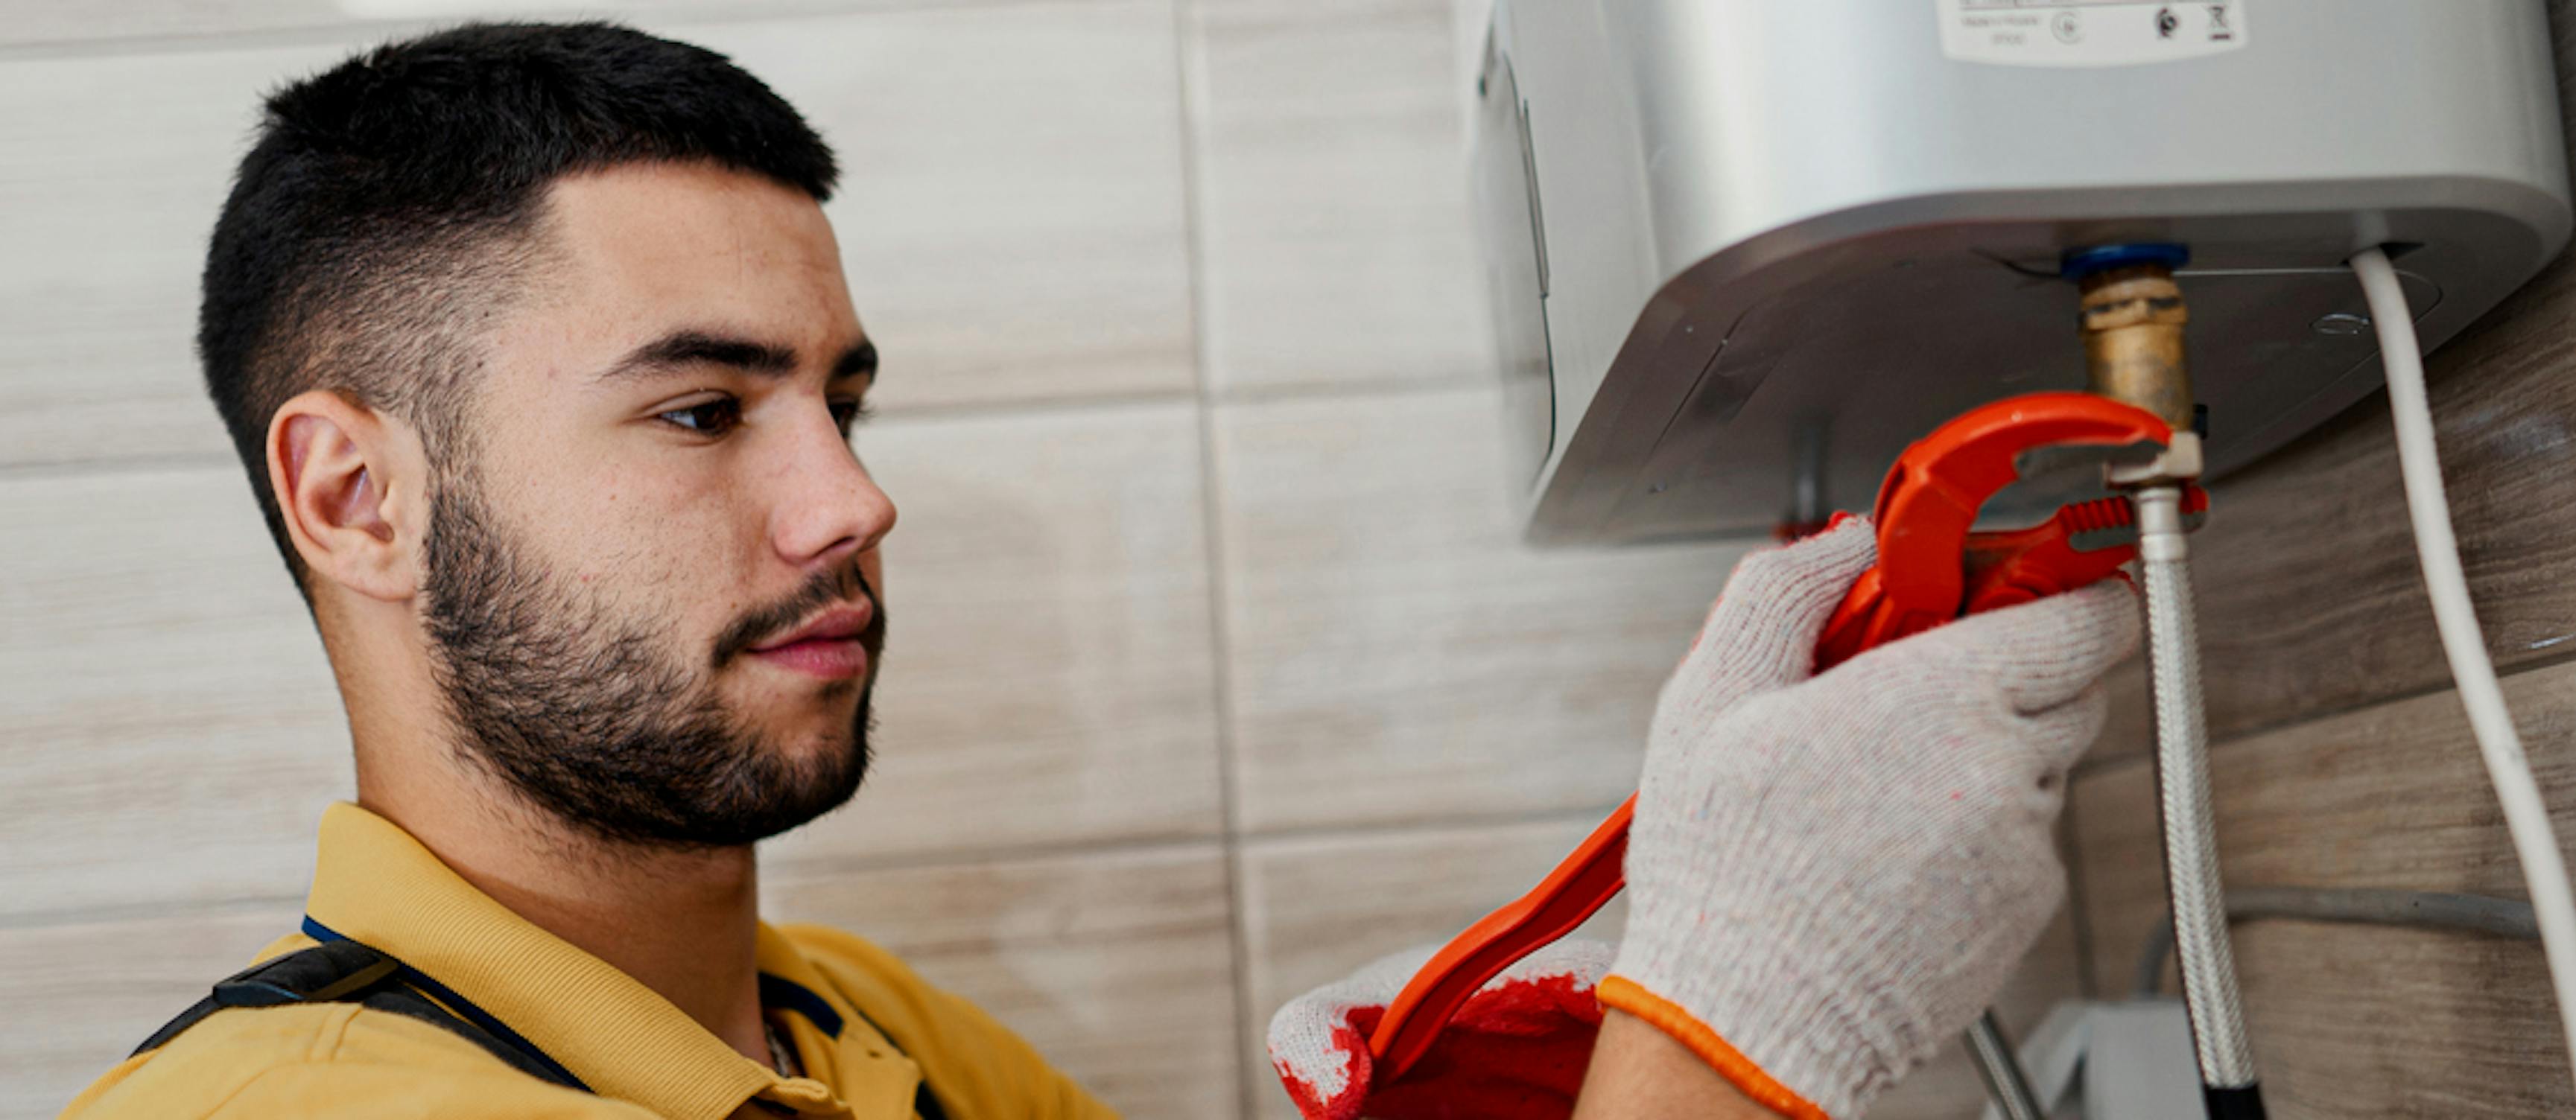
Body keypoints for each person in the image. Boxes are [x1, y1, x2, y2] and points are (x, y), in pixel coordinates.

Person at [58, 22, 2136, 1120]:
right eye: (705, 413)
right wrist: (1738, 1028)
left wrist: (1578, 996)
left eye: (840, 403)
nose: (849, 502)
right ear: (356, 501)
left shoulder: (843, 1031)